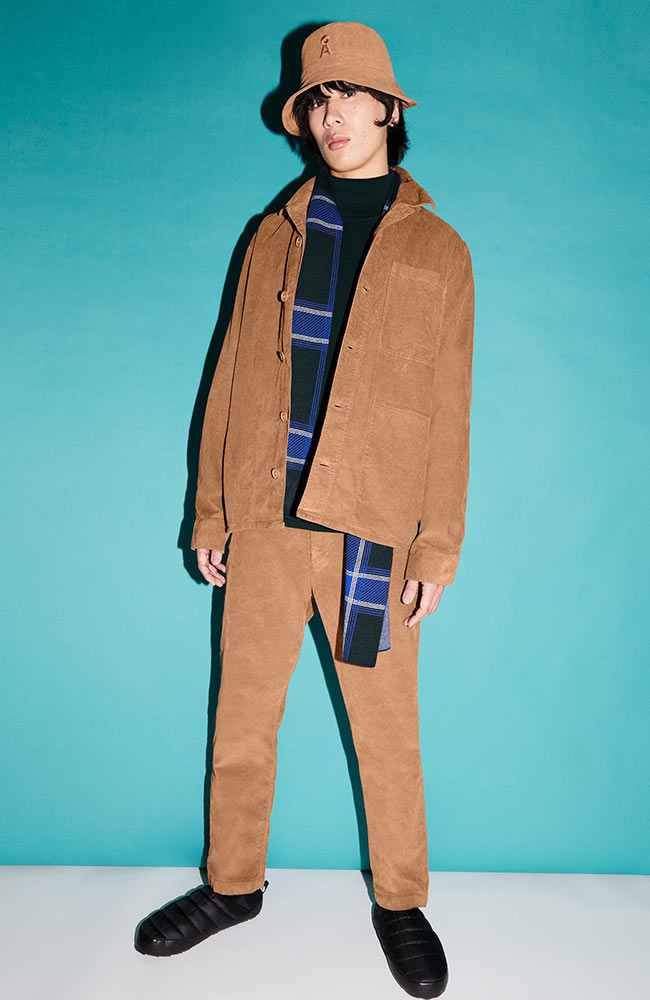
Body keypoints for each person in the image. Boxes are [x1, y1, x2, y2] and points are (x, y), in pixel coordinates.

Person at [134, 20, 474, 1000]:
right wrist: (212, 512)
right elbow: (230, 375)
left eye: (347, 95)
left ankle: (400, 901)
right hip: (265, 518)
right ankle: (232, 885)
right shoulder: (272, 235)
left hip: (371, 532)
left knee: (387, 733)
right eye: (316, 100)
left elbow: (449, 407)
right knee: (242, 717)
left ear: (387, 109)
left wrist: (435, 546)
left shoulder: (439, 250)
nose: (331, 115)